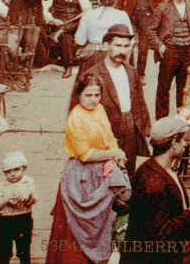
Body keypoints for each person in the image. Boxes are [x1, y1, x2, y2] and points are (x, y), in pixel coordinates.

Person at [46, 74, 132, 264]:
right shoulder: (75, 118)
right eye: (88, 95)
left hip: (102, 172)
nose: (93, 100)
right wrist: (114, 153)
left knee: (102, 225)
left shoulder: (100, 109)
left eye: (97, 95)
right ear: (78, 95)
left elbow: (109, 137)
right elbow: (85, 154)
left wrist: (117, 157)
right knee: (78, 230)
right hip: (80, 176)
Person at [120, 116, 190, 264]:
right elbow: (161, 238)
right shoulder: (155, 184)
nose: (185, 144)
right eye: (182, 140)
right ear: (173, 143)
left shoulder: (152, 168)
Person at [69, 24, 151, 175]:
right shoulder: (93, 74)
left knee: (127, 172)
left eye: (126, 46)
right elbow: (76, 108)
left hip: (129, 128)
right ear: (106, 46)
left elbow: (139, 101)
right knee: (103, 174)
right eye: (118, 46)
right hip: (105, 128)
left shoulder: (131, 72)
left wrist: (145, 129)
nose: (122, 51)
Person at [151, 0, 190, 118]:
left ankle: (182, 120)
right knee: (164, 87)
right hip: (170, 51)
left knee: (183, 88)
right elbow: (151, 31)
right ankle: (162, 122)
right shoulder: (162, 8)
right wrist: (160, 46)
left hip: (188, 51)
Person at [116, 0, 165, 81]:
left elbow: (161, 1)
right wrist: (118, 14)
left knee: (143, 46)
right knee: (128, 43)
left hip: (147, 16)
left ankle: (140, 74)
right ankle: (127, 70)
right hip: (131, 15)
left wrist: (159, 17)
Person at [44, 0, 90, 79]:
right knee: (66, 35)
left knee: (84, 17)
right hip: (61, 21)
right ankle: (68, 66)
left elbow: (87, 8)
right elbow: (44, 10)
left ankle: (61, 31)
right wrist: (53, 20)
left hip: (76, 21)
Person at [0, 150, 35, 264]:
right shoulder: (1, 186)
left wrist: (28, 198)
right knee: (4, 250)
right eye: (8, 171)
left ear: (23, 168)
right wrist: (6, 201)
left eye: (16, 169)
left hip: (23, 219)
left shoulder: (28, 182)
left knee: (24, 250)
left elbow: (34, 197)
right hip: (5, 221)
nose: (13, 174)